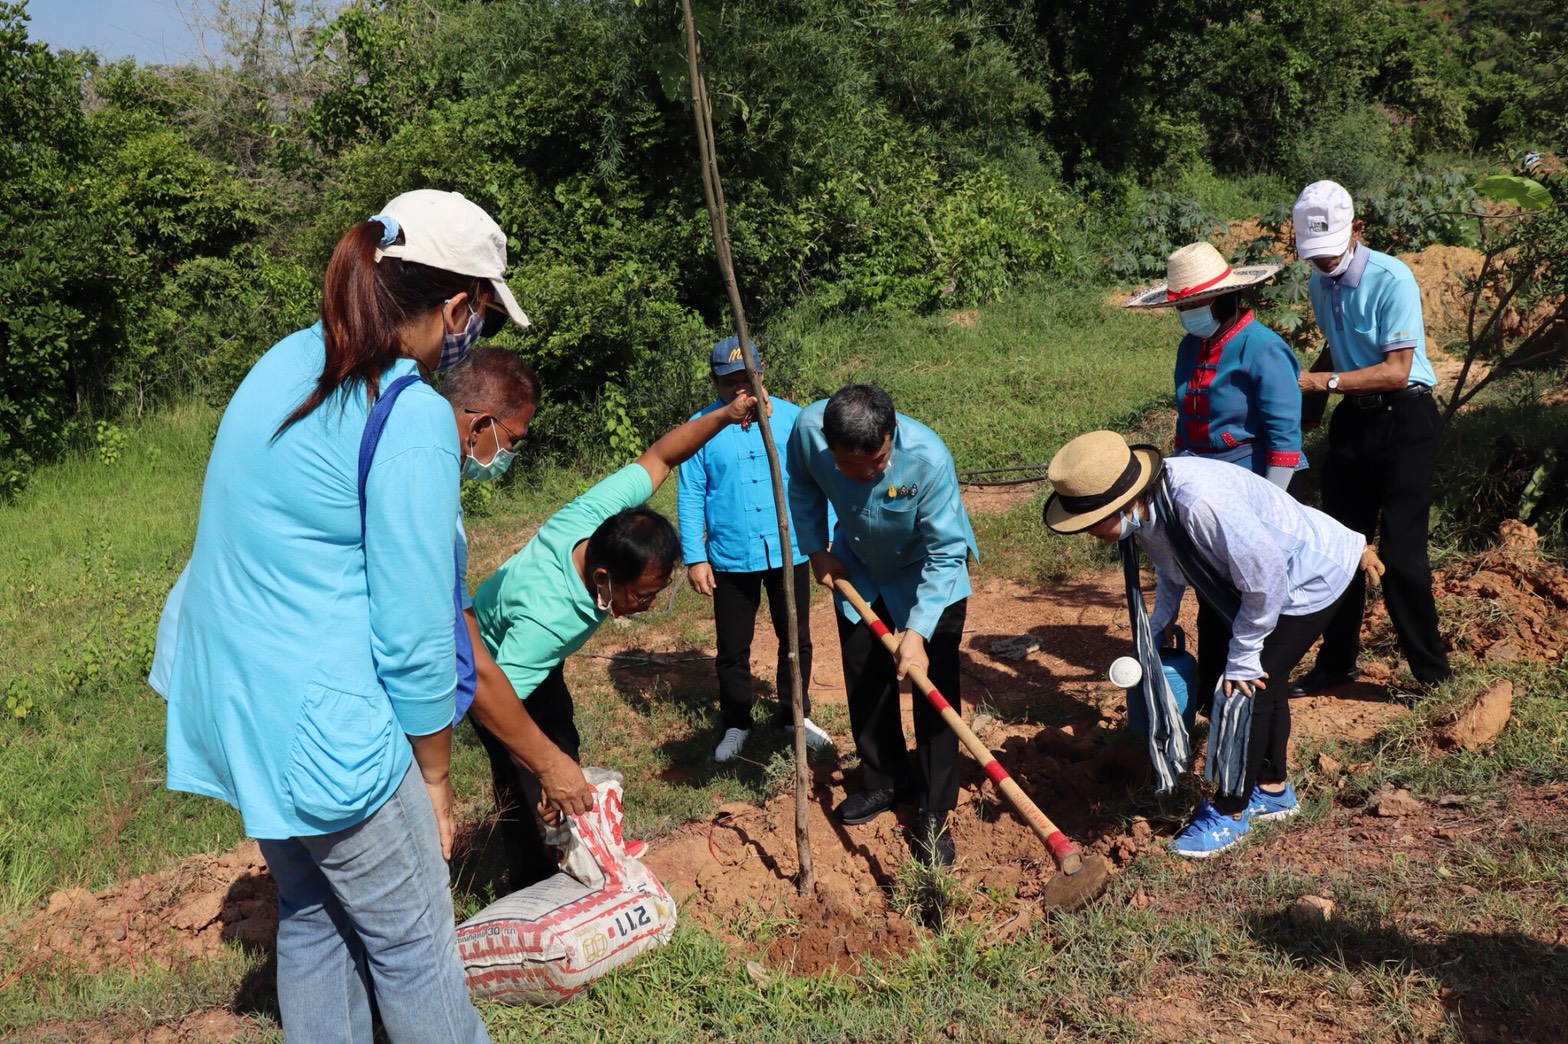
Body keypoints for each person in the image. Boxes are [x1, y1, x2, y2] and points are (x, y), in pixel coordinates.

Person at [157, 189, 528, 1043]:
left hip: (228, 694)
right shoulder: (408, 415)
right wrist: (435, 779)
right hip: (321, 730)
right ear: (458, 308)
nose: (476, 339)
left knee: (313, 912)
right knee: (414, 944)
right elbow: (416, 635)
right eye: (482, 320)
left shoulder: (289, 358)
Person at [469, 389, 763, 889]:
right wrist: (544, 771)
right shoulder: (548, 621)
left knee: (561, 737)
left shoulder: (595, 518)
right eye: (641, 596)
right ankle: (535, 881)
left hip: (529, 656)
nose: (647, 606)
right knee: (523, 781)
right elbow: (494, 700)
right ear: (603, 576)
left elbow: (662, 455)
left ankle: (575, 841)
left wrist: (725, 414)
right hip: (491, 666)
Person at [1043, 430, 1374, 857]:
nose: (1090, 533)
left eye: (1094, 522)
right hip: (1268, 580)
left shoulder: (1199, 504)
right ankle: (1273, 791)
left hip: (1307, 574)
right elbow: (1172, 565)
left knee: (1242, 690)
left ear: (1126, 501)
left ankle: (1229, 812)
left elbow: (1266, 579)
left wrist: (1245, 654)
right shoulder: (1151, 506)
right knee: (1262, 683)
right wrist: (1160, 621)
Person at [787, 384, 979, 866]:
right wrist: (816, 552)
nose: (865, 475)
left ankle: (934, 809)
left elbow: (945, 552)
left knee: (933, 688)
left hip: (927, 575)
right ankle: (885, 780)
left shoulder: (928, 458)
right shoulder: (808, 432)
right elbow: (801, 482)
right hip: (859, 569)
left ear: (892, 434)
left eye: (876, 461)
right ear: (829, 446)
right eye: (849, 467)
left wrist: (915, 635)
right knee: (865, 673)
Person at [1290, 180, 1454, 695]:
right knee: (1340, 549)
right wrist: (1309, 404)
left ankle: (1433, 678)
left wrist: (1321, 383)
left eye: (1330, 253)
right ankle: (1335, 665)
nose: (1323, 265)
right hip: (1353, 422)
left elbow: (1397, 371)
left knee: (1402, 556)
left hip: (1405, 421)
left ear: (1357, 230)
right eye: (1313, 257)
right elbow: (1338, 347)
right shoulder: (1321, 282)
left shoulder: (1392, 278)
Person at [1123, 240, 1303, 709]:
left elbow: (1285, 439)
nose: (1188, 314)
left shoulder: (1263, 347)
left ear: (1225, 298)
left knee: (1245, 587)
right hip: (1196, 488)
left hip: (1252, 487)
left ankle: (1249, 693)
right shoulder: (1191, 346)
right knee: (1207, 590)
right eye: (1182, 306)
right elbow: (1186, 422)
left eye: (1195, 304)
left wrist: (1267, 505)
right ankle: (1209, 694)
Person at [677, 337, 834, 762]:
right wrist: (695, 556)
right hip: (731, 555)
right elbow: (691, 493)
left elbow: (820, 477)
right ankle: (736, 723)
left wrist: (828, 533)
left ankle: (794, 715)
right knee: (732, 647)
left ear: (761, 374)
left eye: (747, 378)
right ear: (714, 382)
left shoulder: (792, 420)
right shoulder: (702, 427)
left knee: (796, 638)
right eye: (729, 381)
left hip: (790, 550)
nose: (740, 389)